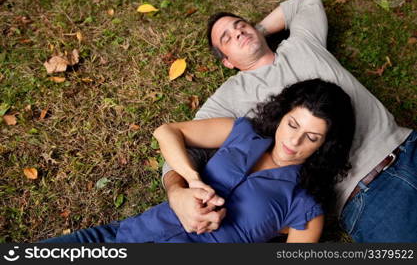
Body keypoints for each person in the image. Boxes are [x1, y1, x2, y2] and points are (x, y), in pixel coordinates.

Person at [162, 0, 416, 242]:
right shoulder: (229, 97)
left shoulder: (302, 42)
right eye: (226, 38)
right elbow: (182, 142)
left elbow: (307, 2)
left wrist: (258, 29)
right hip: (366, 193)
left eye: (240, 25)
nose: (237, 32)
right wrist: (177, 192)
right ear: (227, 62)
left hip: (407, 142)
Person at [42, 79, 355, 243]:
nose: (293, 142)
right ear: (283, 115)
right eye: (293, 125)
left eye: (312, 138)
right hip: (123, 235)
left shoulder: (307, 204)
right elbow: (167, 132)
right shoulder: (242, 131)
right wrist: (189, 182)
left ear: (327, 145)